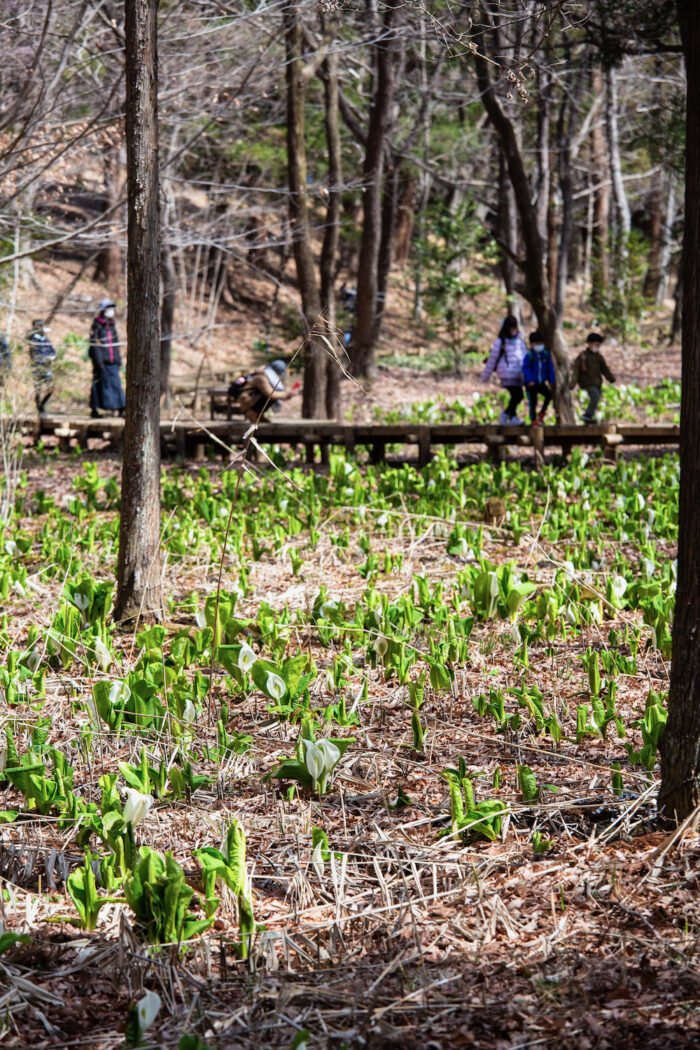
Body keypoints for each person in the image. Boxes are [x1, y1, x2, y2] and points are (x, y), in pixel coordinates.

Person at [481, 314, 527, 424]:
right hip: (507, 373)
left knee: (517, 396)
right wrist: (485, 376)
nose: (513, 330)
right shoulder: (500, 342)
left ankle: (512, 417)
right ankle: (506, 415)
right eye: (511, 328)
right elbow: (492, 359)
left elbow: (525, 357)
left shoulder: (520, 341)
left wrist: (526, 372)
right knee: (518, 395)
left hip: (518, 374)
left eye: (515, 328)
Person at [89, 298, 125, 418]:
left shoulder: (111, 325)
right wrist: (99, 362)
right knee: (99, 385)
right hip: (101, 362)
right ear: (103, 310)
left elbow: (115, 344)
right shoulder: (97, 325)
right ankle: (95, 410)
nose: (111, 311)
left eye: (112, 308)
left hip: (113, 362)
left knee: (116, 385)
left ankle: (121, 408)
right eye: (108, 308)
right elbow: (94, 345)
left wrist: (118, 360)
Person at [233, 359, 301, 423]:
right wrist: (288, 394)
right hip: (247, 402)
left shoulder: (267, 377)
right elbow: (270, 394)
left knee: (272, 397)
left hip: (251, 400)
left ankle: (259, 414)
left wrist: (288, 394)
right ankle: (252, 413)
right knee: (269, 397)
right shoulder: (261, 378)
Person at [570, 332, 615, 424]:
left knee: (597, 398)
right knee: (595, 397)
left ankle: (589, 417)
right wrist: (572, 384)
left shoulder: (599, 357)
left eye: (598, 345)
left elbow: (605, 369)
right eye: (596, 345)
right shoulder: (583, 356)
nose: (597, 347)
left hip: (597, 382)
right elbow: (576, 371)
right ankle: (587, 415)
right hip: (587, 382)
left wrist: (611, 379)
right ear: (589, 344)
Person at [522, 329, 556, 424]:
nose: (539, 345)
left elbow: (550, 368)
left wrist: (551, 379)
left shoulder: (545, 355)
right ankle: (533, 419)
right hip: (531, 384)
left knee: (549, 395)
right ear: (532, 344)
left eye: (541, 343)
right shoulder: (529, 356)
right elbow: (525, 369)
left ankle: (541, 413)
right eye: (537, 343)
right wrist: (529, 380)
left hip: (541, 383)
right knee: (533, 402)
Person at [27, 320, 56, 417]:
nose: (41, 327)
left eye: (42, 325)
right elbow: (34, 354)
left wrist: (52, 356)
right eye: (39, 325)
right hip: (37, 367)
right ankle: (40, 409)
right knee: (38, 389)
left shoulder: (45, 338)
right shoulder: (33, 339)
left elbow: (51, 350)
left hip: (47, 367)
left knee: (50, 388)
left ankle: (42, 405)